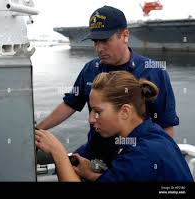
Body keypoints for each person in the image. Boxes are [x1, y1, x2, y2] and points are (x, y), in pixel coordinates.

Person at [36, 6, 179, 164]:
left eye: (105, 40)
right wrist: (37, 130)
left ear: (125, 35)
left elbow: (165, 124)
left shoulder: (154, 72)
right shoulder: (90, 69)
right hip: (96, 152)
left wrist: (165, 162)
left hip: (134, 157)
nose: (99, 48)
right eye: (95, 41)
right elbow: (70, 104)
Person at [35, 71, 193, 182]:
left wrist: (58, 152)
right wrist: (92, 175)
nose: (91, 119)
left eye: (98, 111)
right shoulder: (152, 134)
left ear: (125, 111)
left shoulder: (143, 154)